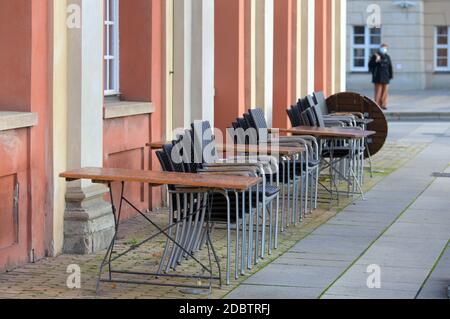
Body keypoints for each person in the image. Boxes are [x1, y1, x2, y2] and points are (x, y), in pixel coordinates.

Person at [369, 43, 393, 110]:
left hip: (386, 76)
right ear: (380, 48)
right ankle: (377, 105)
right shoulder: (375, 55)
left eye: (385, 48)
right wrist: (376, 60)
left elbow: (390, 67)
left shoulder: (387, 57)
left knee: (385, 92)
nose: (384, 49)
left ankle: (384, 104)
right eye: (383, 48)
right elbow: (370, 65)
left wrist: (390, 75)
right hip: (378, 76)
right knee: (378, 92)